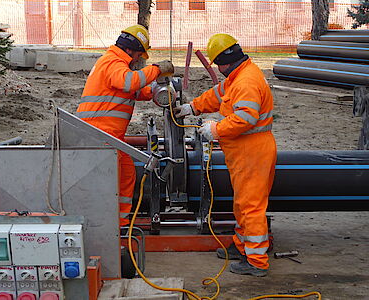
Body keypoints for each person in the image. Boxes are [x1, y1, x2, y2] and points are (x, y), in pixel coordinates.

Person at [174, 34, 276, 277]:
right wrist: (193, 107)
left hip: (252, 151)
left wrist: (215, 129)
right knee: (242, 202)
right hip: (244, 151)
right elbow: (217, 95)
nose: (217, 70)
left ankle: (256, 261)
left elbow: (245, 118)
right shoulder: (237, 76)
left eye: (216, 64)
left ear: (224, 61)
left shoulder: (246, 82)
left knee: (251, 205)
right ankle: (243, 246)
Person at [76, 24, 174, 227]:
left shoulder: (116, 64)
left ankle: (119, 224)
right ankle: (109, 226)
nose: (139, 59)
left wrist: (156, 92)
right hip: (99, 134)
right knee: (110, 180)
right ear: (130, 49)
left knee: (127, 173)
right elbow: (129, 83)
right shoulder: (113, 62)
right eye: (139, 54)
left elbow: (132, 91)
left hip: (109, 135)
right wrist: (156, 70)